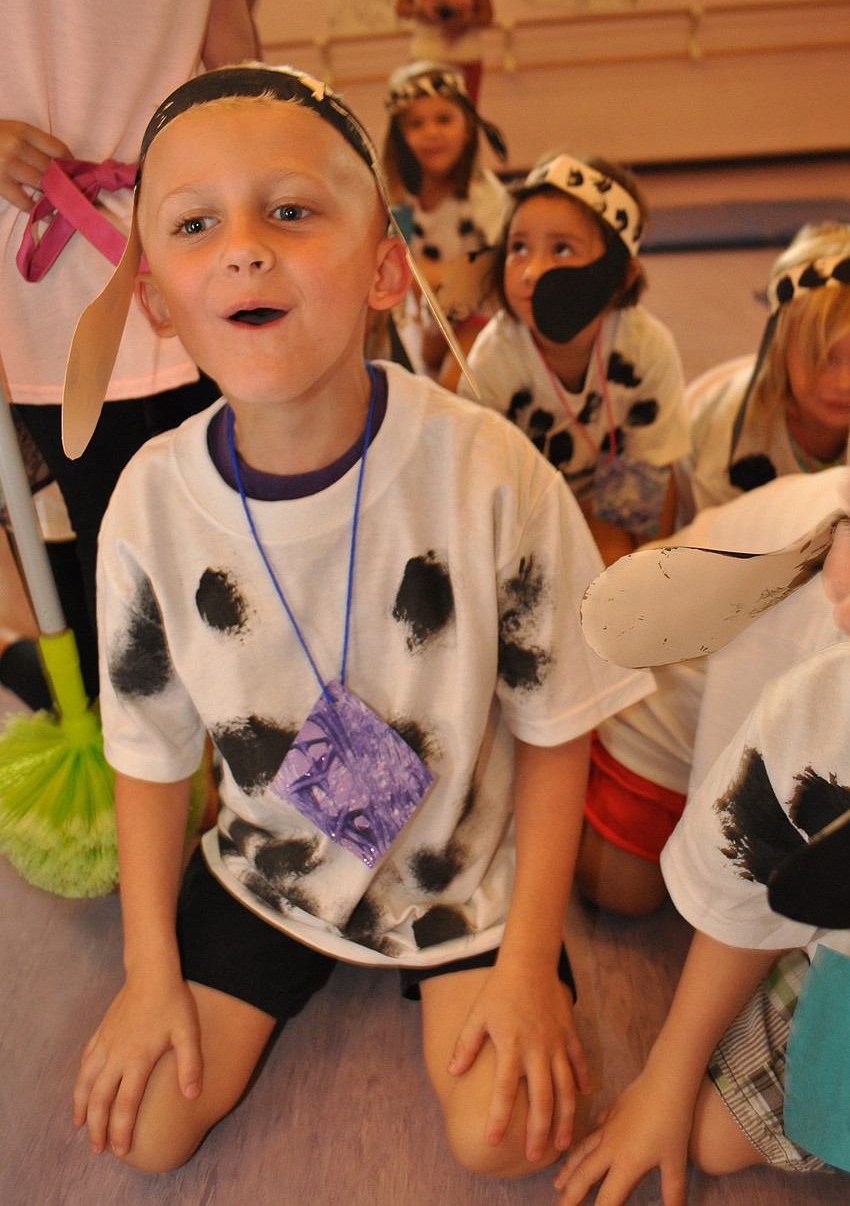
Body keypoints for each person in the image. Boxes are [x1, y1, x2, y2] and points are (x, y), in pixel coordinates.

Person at [69, 64, 654, 1177]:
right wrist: (149, 972)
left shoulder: (490, 477)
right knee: (144, 1134)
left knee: (505, 1137)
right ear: (154, 296)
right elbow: (148, 758)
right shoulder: (148, 504)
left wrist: (531, 961)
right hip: (266, 864)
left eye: (290, 211)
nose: (245, 247)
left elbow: (557, 722)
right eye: (195, 225)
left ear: (386, 264)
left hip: (457, 868)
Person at [0, 0, 285, 696]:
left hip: (197, 236)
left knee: (241, 546)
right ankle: (158, 790)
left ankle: (238, 783)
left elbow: (232, 59)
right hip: (54, 248)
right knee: (129, 567)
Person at [555, 477, 850, 1204]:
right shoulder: (819, 668)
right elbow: (754, 854)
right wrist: (666, 1074)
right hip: (669, 699)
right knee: (622, 884)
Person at [576, 464, 847, 917]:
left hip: (717, 689)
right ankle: (562, 748)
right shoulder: (818, 582)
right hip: (652, 686)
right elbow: (737, 775)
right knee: (624, 895)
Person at [459, 152, 689, 566]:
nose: (531, 271)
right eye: (519, 248)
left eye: (562, 249)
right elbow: (479, 499)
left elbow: (649, 486)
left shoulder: (645, 348)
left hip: (610, 502)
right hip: (524, 514)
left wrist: (654, 571)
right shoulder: (493, 363)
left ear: (621, 276)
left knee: (617, 568)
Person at [679, 221, 850, 519]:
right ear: (779, 347)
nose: (844, 382)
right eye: (820, 356)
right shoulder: (739, 423)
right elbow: (714, 539)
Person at [381, 59, 509, 385]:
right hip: (434, 313)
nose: (431, 133)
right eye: (416, 124)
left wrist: (436, 274)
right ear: (399, 137)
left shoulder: (484, 197)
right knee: (419, 362)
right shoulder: (401, 197)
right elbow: (400, 253)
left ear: (466, 128)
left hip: (482, 313)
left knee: (453, 386)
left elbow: (498, 269)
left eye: (443, 119)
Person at [395, 0, 493, 106]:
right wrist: (423, 10)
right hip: (427, 56)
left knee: (464, 119)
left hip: (466, 56)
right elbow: (401, 7)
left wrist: (465, 18)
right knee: (428, 112)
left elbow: (487, 15)